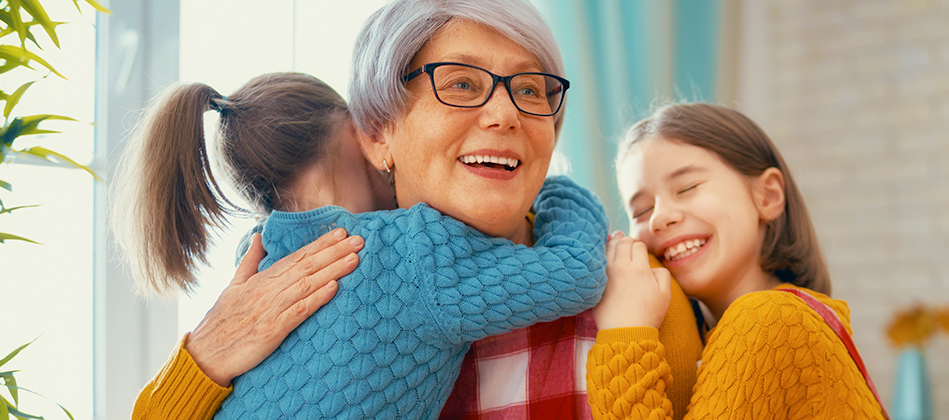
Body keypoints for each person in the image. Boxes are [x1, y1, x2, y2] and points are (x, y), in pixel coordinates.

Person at [129, 1, 705, 419]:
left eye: (532, 90)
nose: (506, 114)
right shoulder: (263, 300)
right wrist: (202, 359)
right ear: (376, 135)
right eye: (459, 83)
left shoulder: (643, 293)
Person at [116, 68, 610, 420]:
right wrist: (553, 187)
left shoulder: (255, 264)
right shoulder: (412, 250)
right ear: (365, 134)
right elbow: (577, 272)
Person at [586, 103, 889, 419]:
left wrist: (625, 334)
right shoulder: (729, 333)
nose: (660, 217)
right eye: (641, 211)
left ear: (767, 196)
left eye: (687, 188)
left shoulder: (767, 321)